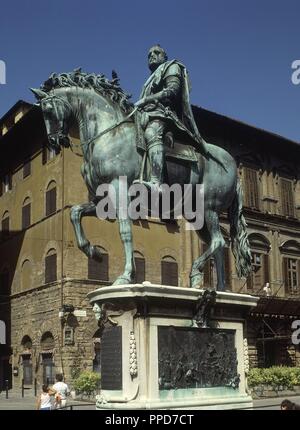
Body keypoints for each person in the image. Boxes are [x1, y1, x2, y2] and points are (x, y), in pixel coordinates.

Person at [135, 44, 209, 192]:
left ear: (164, 57)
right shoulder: (148, 80)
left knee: (151, 133)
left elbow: (172, 90)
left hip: (164, 116)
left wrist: (146, 100)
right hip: (147, 115)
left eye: (156, 52)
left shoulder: (172, 66)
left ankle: (156, 182)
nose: (152, 55)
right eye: (149, 54)